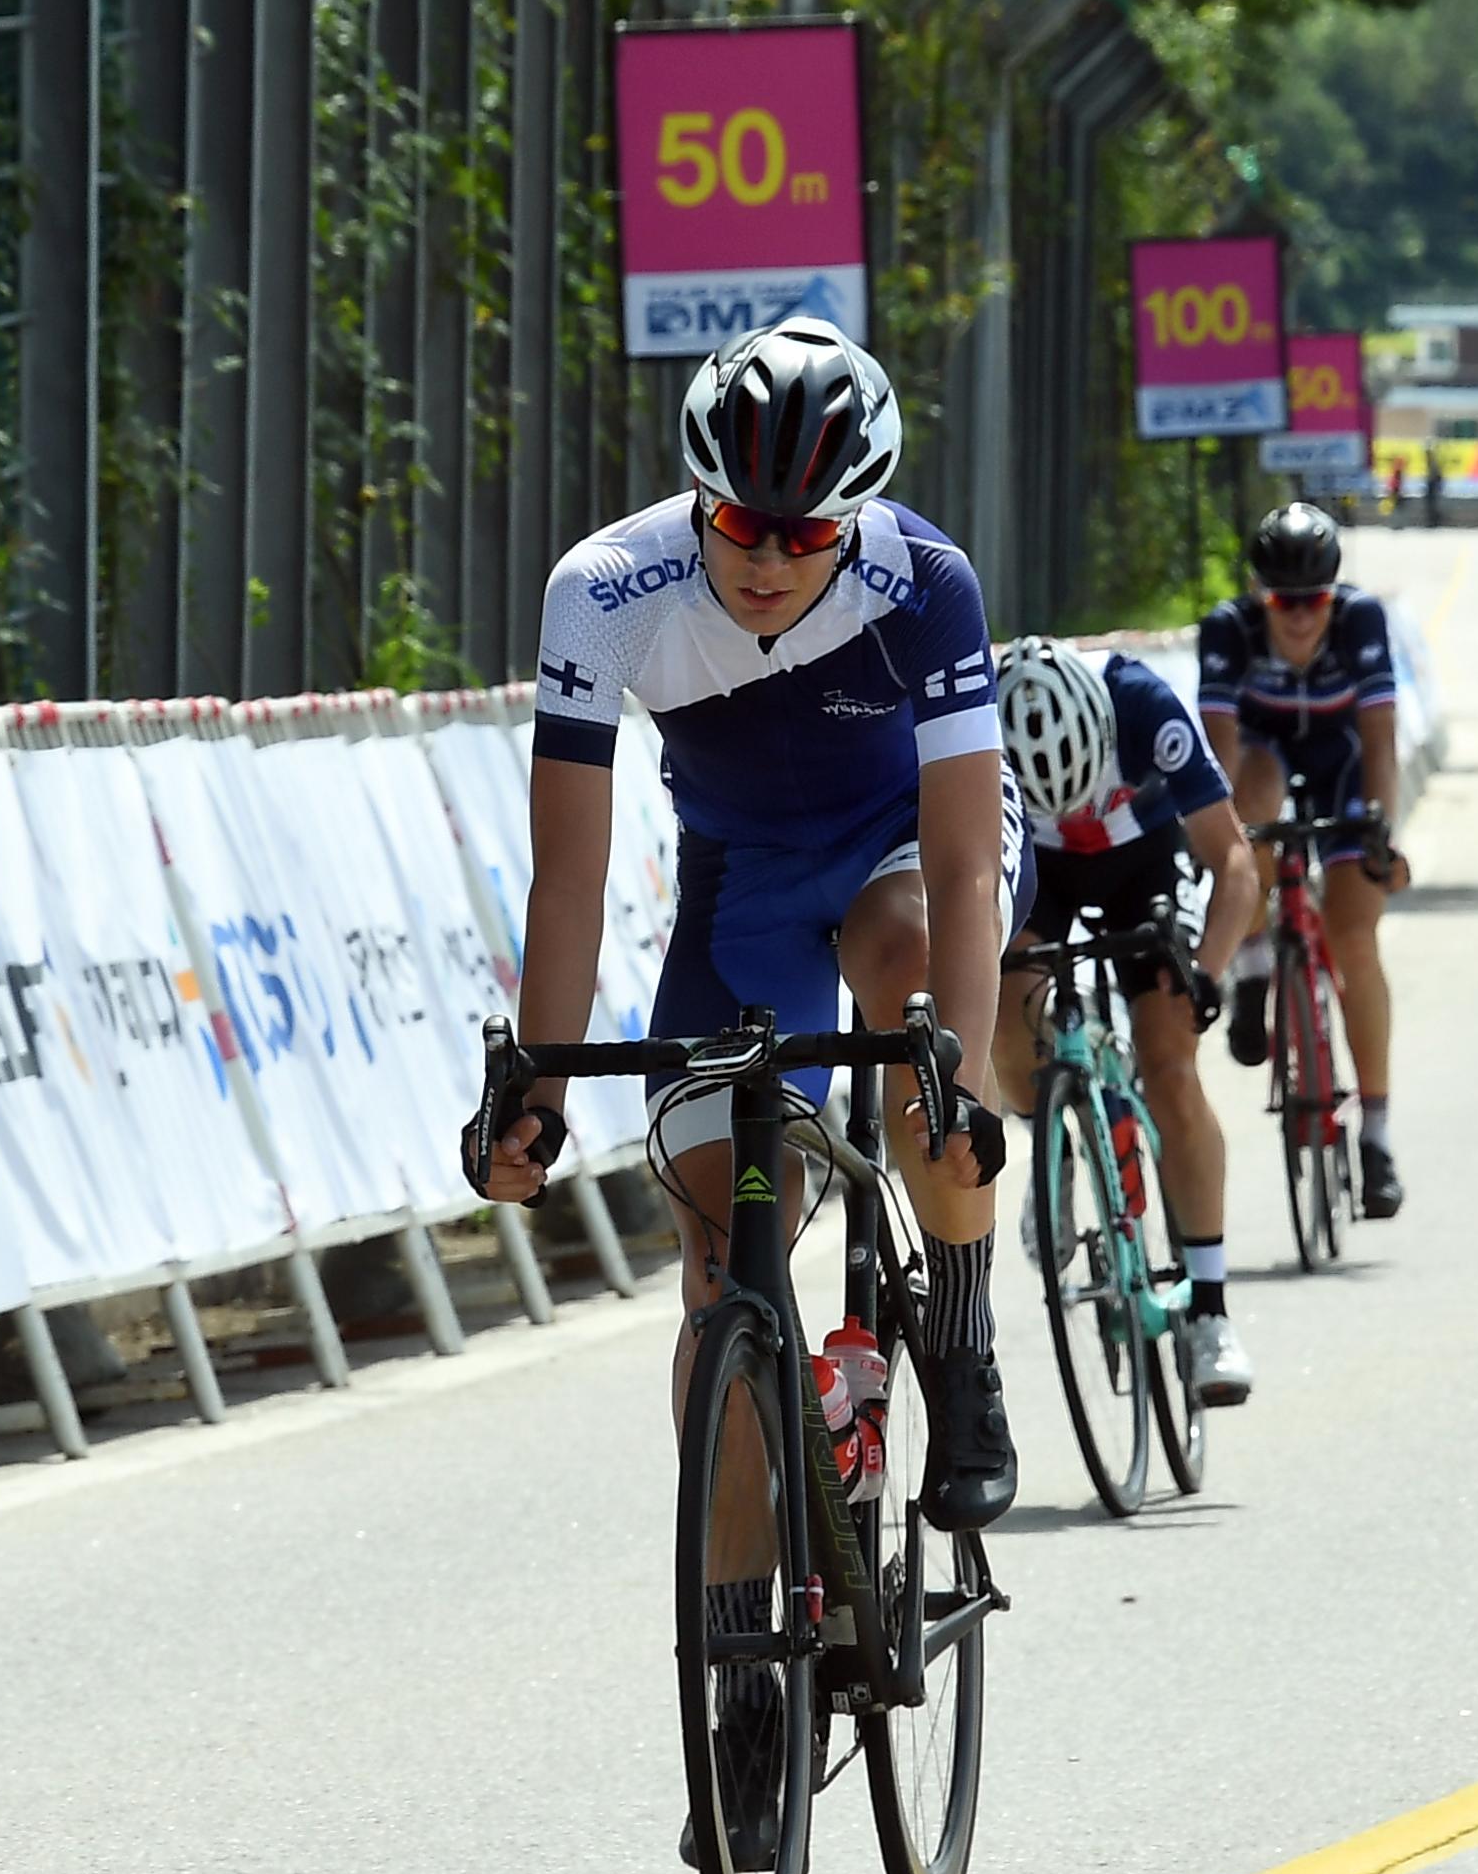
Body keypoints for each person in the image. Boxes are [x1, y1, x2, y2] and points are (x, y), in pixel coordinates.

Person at [470, 317, 1026, 1537]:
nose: (771, 559)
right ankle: (737, 1639)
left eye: (813, 531)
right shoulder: (603, 589)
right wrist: (538, 1092)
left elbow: (966, 863)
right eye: (740, 524)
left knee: (910, 984)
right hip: (747, 878)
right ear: (696, 495)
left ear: (858, 517)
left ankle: (966, 1336)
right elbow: (569, 875)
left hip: (906, 849)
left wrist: (965, 1085)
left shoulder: (927, 582)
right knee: (720, 1268)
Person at [989, 637, 1264, 1404]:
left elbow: (1235, 863)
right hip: (1038, 873)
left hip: (1142, 861)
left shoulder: (1144, 706)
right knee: (1007, 1008)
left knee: (1171, 1061)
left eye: (1081, 789)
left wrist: (1208, 972)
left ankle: (1209, 1308)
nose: (1076, 809)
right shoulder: (976, 716)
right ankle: (1053, 1137)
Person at [1196, 501, 1413, 1218]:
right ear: (1262, 596)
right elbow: (1219, 755)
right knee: (1249, 802)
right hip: (1264, 758)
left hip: (1343, 765)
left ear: (1333, 595)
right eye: (1282, 601)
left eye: (1312, 600)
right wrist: (1224, 844)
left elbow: (1381, 740)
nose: (1297, 617)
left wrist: (1380, 834)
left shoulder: (1360, 623)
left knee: (1354, 933)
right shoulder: (1229, 631)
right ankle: (1256, 965)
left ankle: (1377, 1135)